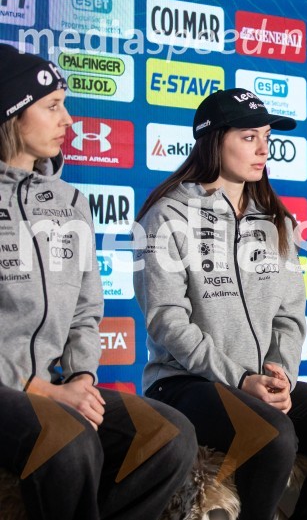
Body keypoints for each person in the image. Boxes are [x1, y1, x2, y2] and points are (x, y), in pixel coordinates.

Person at [134, 88, 307, 520]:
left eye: (266, 136)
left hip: (257, 381)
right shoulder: (167, 215)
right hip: (184, 382)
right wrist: (240, 377)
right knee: (274, 435)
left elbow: (289, 312)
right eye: (249, 136)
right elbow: (166, 319)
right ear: (214, 140)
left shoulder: (275, 219)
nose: (264, 148)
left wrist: (279, 373)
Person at [0, 44, 197, 520]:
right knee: (67, 440)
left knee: (169, 436)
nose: (69, 120)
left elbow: (87, 310)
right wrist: (42, 392)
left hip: (54, 385)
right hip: (14, 389)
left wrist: (82, 379)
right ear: (10, 115)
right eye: (51, 106)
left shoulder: (70, 201)